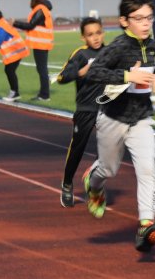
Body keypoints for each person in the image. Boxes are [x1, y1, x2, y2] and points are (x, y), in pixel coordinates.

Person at [83, 0, 155, 252]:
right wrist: (127, 74)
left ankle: (145, 225)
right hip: (112, 118)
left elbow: (152, 70)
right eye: (138, 18)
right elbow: (94, 72)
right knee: (108, 170)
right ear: (124, 21)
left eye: (149, 18)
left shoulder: (152, 45)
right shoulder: (119, 46)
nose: (145, 23)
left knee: (147, 169)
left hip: (141, 119)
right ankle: (93, 182)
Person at [56, 17, 105, 208]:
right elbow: (61, 78)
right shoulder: (80, 54)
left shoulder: (109, 52)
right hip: (85, 110)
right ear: (83, 37)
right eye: (90, 34)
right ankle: (67, 184)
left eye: (98, 33)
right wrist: (80, 73)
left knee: (106, 153)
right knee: (77, 149)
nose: (95, 37)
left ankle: (95, 187)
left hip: (106, 110)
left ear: (103, 33)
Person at [10, 0, 53, 101]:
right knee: (41, 69)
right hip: (40, 43)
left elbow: (30, 25)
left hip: (41, 43)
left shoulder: (40, 9)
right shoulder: (42, 8)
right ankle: (44, 93)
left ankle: (44, 95)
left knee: (42, 69)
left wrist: (15, 23)